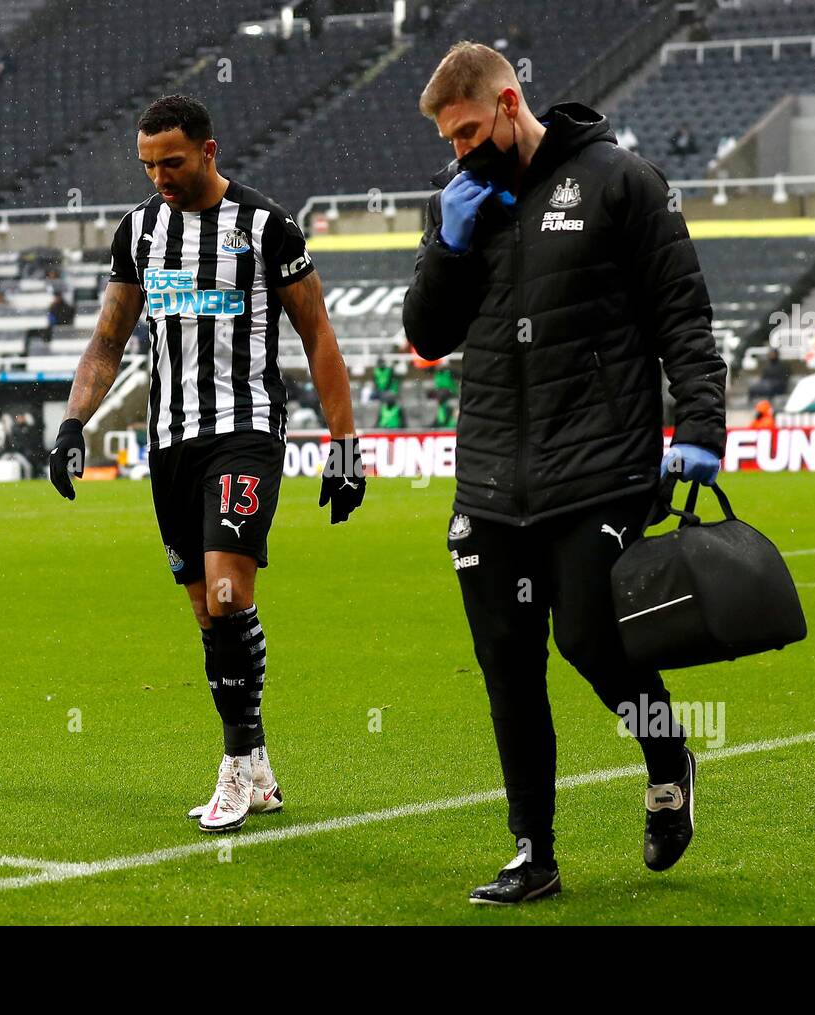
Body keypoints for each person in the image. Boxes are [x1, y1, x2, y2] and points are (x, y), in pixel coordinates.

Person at [403, 42, 727, 905]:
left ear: (510, 103)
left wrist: (698, 425)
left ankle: (666, 753)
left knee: (590, 638)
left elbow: (683, 313)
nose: (460, 150)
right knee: (508, 662)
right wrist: (448, 247)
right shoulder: (460, 204)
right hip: (490, 478)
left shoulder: (621, 181)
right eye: (448, 139)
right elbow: (428, 334)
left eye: (469, 130)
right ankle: (532, 850)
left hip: (599, 466)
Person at [48, 94, 366, 833]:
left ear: (209, 151)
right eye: (148, 164)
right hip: (170, 444)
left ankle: (231, 767)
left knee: (225, 592)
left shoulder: (265, 226)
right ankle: (257, 764)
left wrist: (345, 446)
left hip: (245, 430)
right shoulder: (139, 231)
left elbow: (318, 334)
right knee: (208, 610)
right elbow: (109, 338)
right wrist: (72, 422)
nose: (159, 176)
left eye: (173, 162)